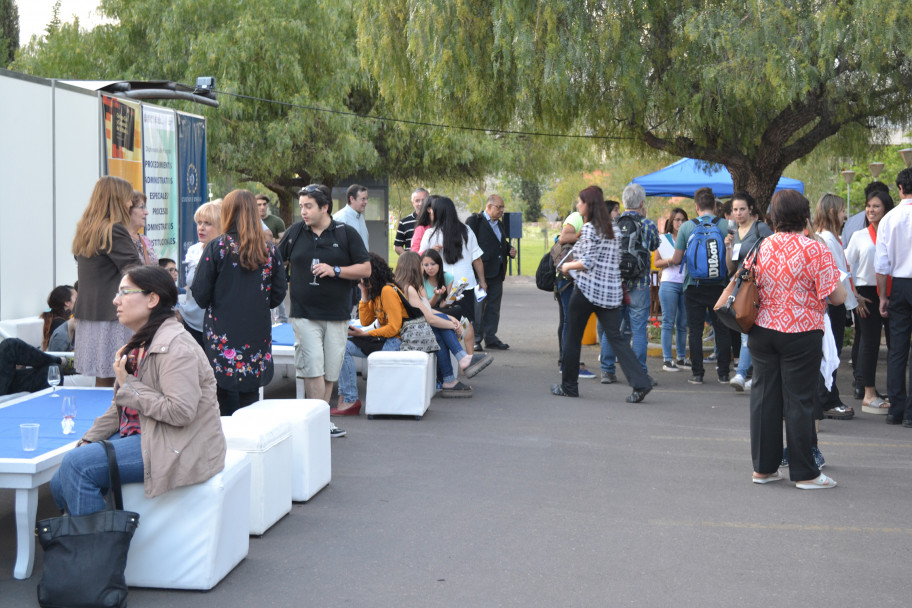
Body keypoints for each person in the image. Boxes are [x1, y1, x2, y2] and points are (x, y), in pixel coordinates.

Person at [50, 265, 227, 515]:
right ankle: (89, 537)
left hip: (176, 444)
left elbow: (181, 412)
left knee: (78, 467)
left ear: (152, 299)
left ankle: (97, 551)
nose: (115, 300)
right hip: (145, 433)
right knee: (60, 479)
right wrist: (88, 440)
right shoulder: (140, 342)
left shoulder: (176, 347)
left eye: (124, 292)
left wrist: (129, 384)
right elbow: (121, 408)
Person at [749, 189, 843, 489]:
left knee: (764, 399)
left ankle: (764, 469)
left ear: (773, 218)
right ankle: (805, 473)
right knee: (799, 401)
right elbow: (837, 296)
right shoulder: (814, 249)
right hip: (801, 332)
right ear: (805, 216)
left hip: (762, 330)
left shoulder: (761, 246)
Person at [277, 184, 371, 431]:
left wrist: (335, 270)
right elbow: (275, 262)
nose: (303, 212)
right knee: (313, 366)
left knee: (330, 370)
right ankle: (319, 423)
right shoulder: (295, 232)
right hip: (304, 313)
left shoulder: (346, 233)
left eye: (308, 206)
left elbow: (365, 268)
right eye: (301, 207)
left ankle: (319, 420)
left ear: (325, 207)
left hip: (338, 314)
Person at [550, 186, 652, 402]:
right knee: (617, 339)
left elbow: (587, 262)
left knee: (572, 336)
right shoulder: (612, 228)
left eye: (580, 202)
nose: (578, 206)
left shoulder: (589, 229)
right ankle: (640, 382)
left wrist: (566, 267)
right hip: (610, 293)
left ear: (589, 205)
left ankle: (569, 386)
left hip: (586, 291)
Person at [191, 189, 288, 415]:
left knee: (221, 389)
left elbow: (200, 293)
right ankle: (252, 440)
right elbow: (279, 292)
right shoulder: (269, 249)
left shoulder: (218, 247)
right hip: (256, 329)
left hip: (222, 330)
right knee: (250, 391)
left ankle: (226, 441)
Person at [72, 176, 142, 387]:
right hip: (112, 316)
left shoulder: (86, 230)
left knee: (103, 380)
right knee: (119, 378)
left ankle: (104, 420)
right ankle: (117, 420)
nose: (131, 204)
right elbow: (136, 270)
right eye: (129, 199)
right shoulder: (114, 230)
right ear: (118, 199)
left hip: (89, 316)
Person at [395, 252, 492, 396]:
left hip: (418, 328)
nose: (425, 269)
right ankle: (461, 360)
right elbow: (429, 318)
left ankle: (449, 378)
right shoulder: (409, 288)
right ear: (414, 267)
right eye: (422, 265)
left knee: (440, 333)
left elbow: (428, 310)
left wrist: (449, 318)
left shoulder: (414, 286)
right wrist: (453, 325)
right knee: (440, 328)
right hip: (410, 333)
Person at [669, 186, 732, 385]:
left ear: (696, 207)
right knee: (722, 329)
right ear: (714, 205)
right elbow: (734, 258)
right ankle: (723, 374)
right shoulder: (726, 226)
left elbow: (678, 259)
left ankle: (697, 374)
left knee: (694, 331)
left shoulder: (687, 227)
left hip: (693, 286)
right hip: (719, 285)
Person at [597, 184, 660, 384]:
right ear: (642, 203)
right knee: (639, 330)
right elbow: (655, 245)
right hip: (639, 282)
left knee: (612, 327)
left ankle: (607, 370)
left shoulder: (611, 223)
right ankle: (639, 372)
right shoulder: (647, 224)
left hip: (615, 282)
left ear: (624, 202)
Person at [334, 253, 405, 415]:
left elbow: (394, 328)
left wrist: (364, 335)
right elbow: (365, 321)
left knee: (346, 345)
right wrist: (364, 293)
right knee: (342, 346)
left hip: (395, 341)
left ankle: (349, 398)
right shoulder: (375, 291)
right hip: (382, 338)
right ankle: (349, 397)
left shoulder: (387, 291)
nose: (360, 279)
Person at [813, 193, 862, 420]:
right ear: (833, 212)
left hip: (835, 302)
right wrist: (851, 301)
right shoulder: (827, 240)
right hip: (833, 303)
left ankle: (828, 398)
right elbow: (837, 277)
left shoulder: (828, 238)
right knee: (830, 353)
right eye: (843, 210)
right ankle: (828, 399)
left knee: (830, 353)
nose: (845, 215)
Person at [846, 190, 893, 414]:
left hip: (893, 290)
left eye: (876, 206)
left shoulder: (893, 234)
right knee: (870, 343)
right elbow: (844, 267)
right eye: (868, 206)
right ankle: (868, 392)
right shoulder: (859, 236)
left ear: (886, 210)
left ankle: (894, 392)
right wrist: (854, 294)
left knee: (896, 345)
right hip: (866, 293)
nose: (871, 210)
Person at [419, 196, 486, 352]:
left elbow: (420, 258)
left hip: (442, 285)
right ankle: (469, 355)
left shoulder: (430, 233)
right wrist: (482, 281)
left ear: (437, 212)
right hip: (464, 285)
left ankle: (452, 355)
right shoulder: (467, 230)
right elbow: (477, 260)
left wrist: (431, 252)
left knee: (443, 319)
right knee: (465, 321)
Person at [723, 191, 773, 390]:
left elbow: (772, 254)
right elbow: (730, 268)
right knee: (747, 328)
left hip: (759, 285)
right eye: (735, 209)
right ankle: (751, 375)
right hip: (740, 286)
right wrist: (728, 247)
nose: (738, 213)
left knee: (751, 330)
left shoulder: (761, 228)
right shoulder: (733, 233)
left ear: (751, 209)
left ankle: (742, 374)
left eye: (742, 209)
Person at [875, 168, 912, 427]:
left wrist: (882, 297)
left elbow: (881, 265)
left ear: (899, 188)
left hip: (898, 285)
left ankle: (895, 410)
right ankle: (911, 414)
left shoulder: (889, 219)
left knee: (897, 350)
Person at [466, 194, 517, 350]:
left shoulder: (499, 224)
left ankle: (491, 337)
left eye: (503, 207)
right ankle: (476, 340)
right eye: (498, 207)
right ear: (488, 207)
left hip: (497, 272)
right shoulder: (475, 221)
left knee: (494, 307)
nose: (501, 210)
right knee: (478, 308)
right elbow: (469, 244)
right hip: (480, 272)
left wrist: (509, 249)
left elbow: (500, 242)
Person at [177, 200, 221, 348]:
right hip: (190, 323)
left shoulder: (227, 254)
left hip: (217, 326)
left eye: (207, 223)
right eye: (199, 222)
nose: (201, 228)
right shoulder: (193, 251)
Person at [654, 208, 689, 372]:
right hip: (669, 283)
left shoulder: (690, 238)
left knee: (683, 323)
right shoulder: (663, 239)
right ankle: (668, 359)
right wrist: (671, 260)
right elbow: (657, 262)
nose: (680, 223)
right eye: (677, 220)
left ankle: (681, 357)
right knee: (668, 322)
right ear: (671, 222)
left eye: (683, 220)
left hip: (686, 283)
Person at [333, 184, 370, 251]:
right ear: (352, 199)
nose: (366, 202)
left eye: (367, 198)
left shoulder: (361, 217)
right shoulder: (340, 218)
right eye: (363, 199)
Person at [40, 285, 76, 350]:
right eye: (77, 298)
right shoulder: (59, 324)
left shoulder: (53, 319)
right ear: (67, 303)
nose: (79, 301)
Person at [127, 191, 158, 266]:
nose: (146, 212)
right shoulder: (120, 239)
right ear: (128, 209)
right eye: (142, 207)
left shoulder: (145, 239)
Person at [395, 188, 428, 256]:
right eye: (417, 201)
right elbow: (398, 246)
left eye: (424, 200)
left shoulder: (435, 221)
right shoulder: (404, 222)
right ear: (412, 203)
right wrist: (409, 259)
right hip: (412, 265)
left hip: (431, 265)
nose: (421, 203)